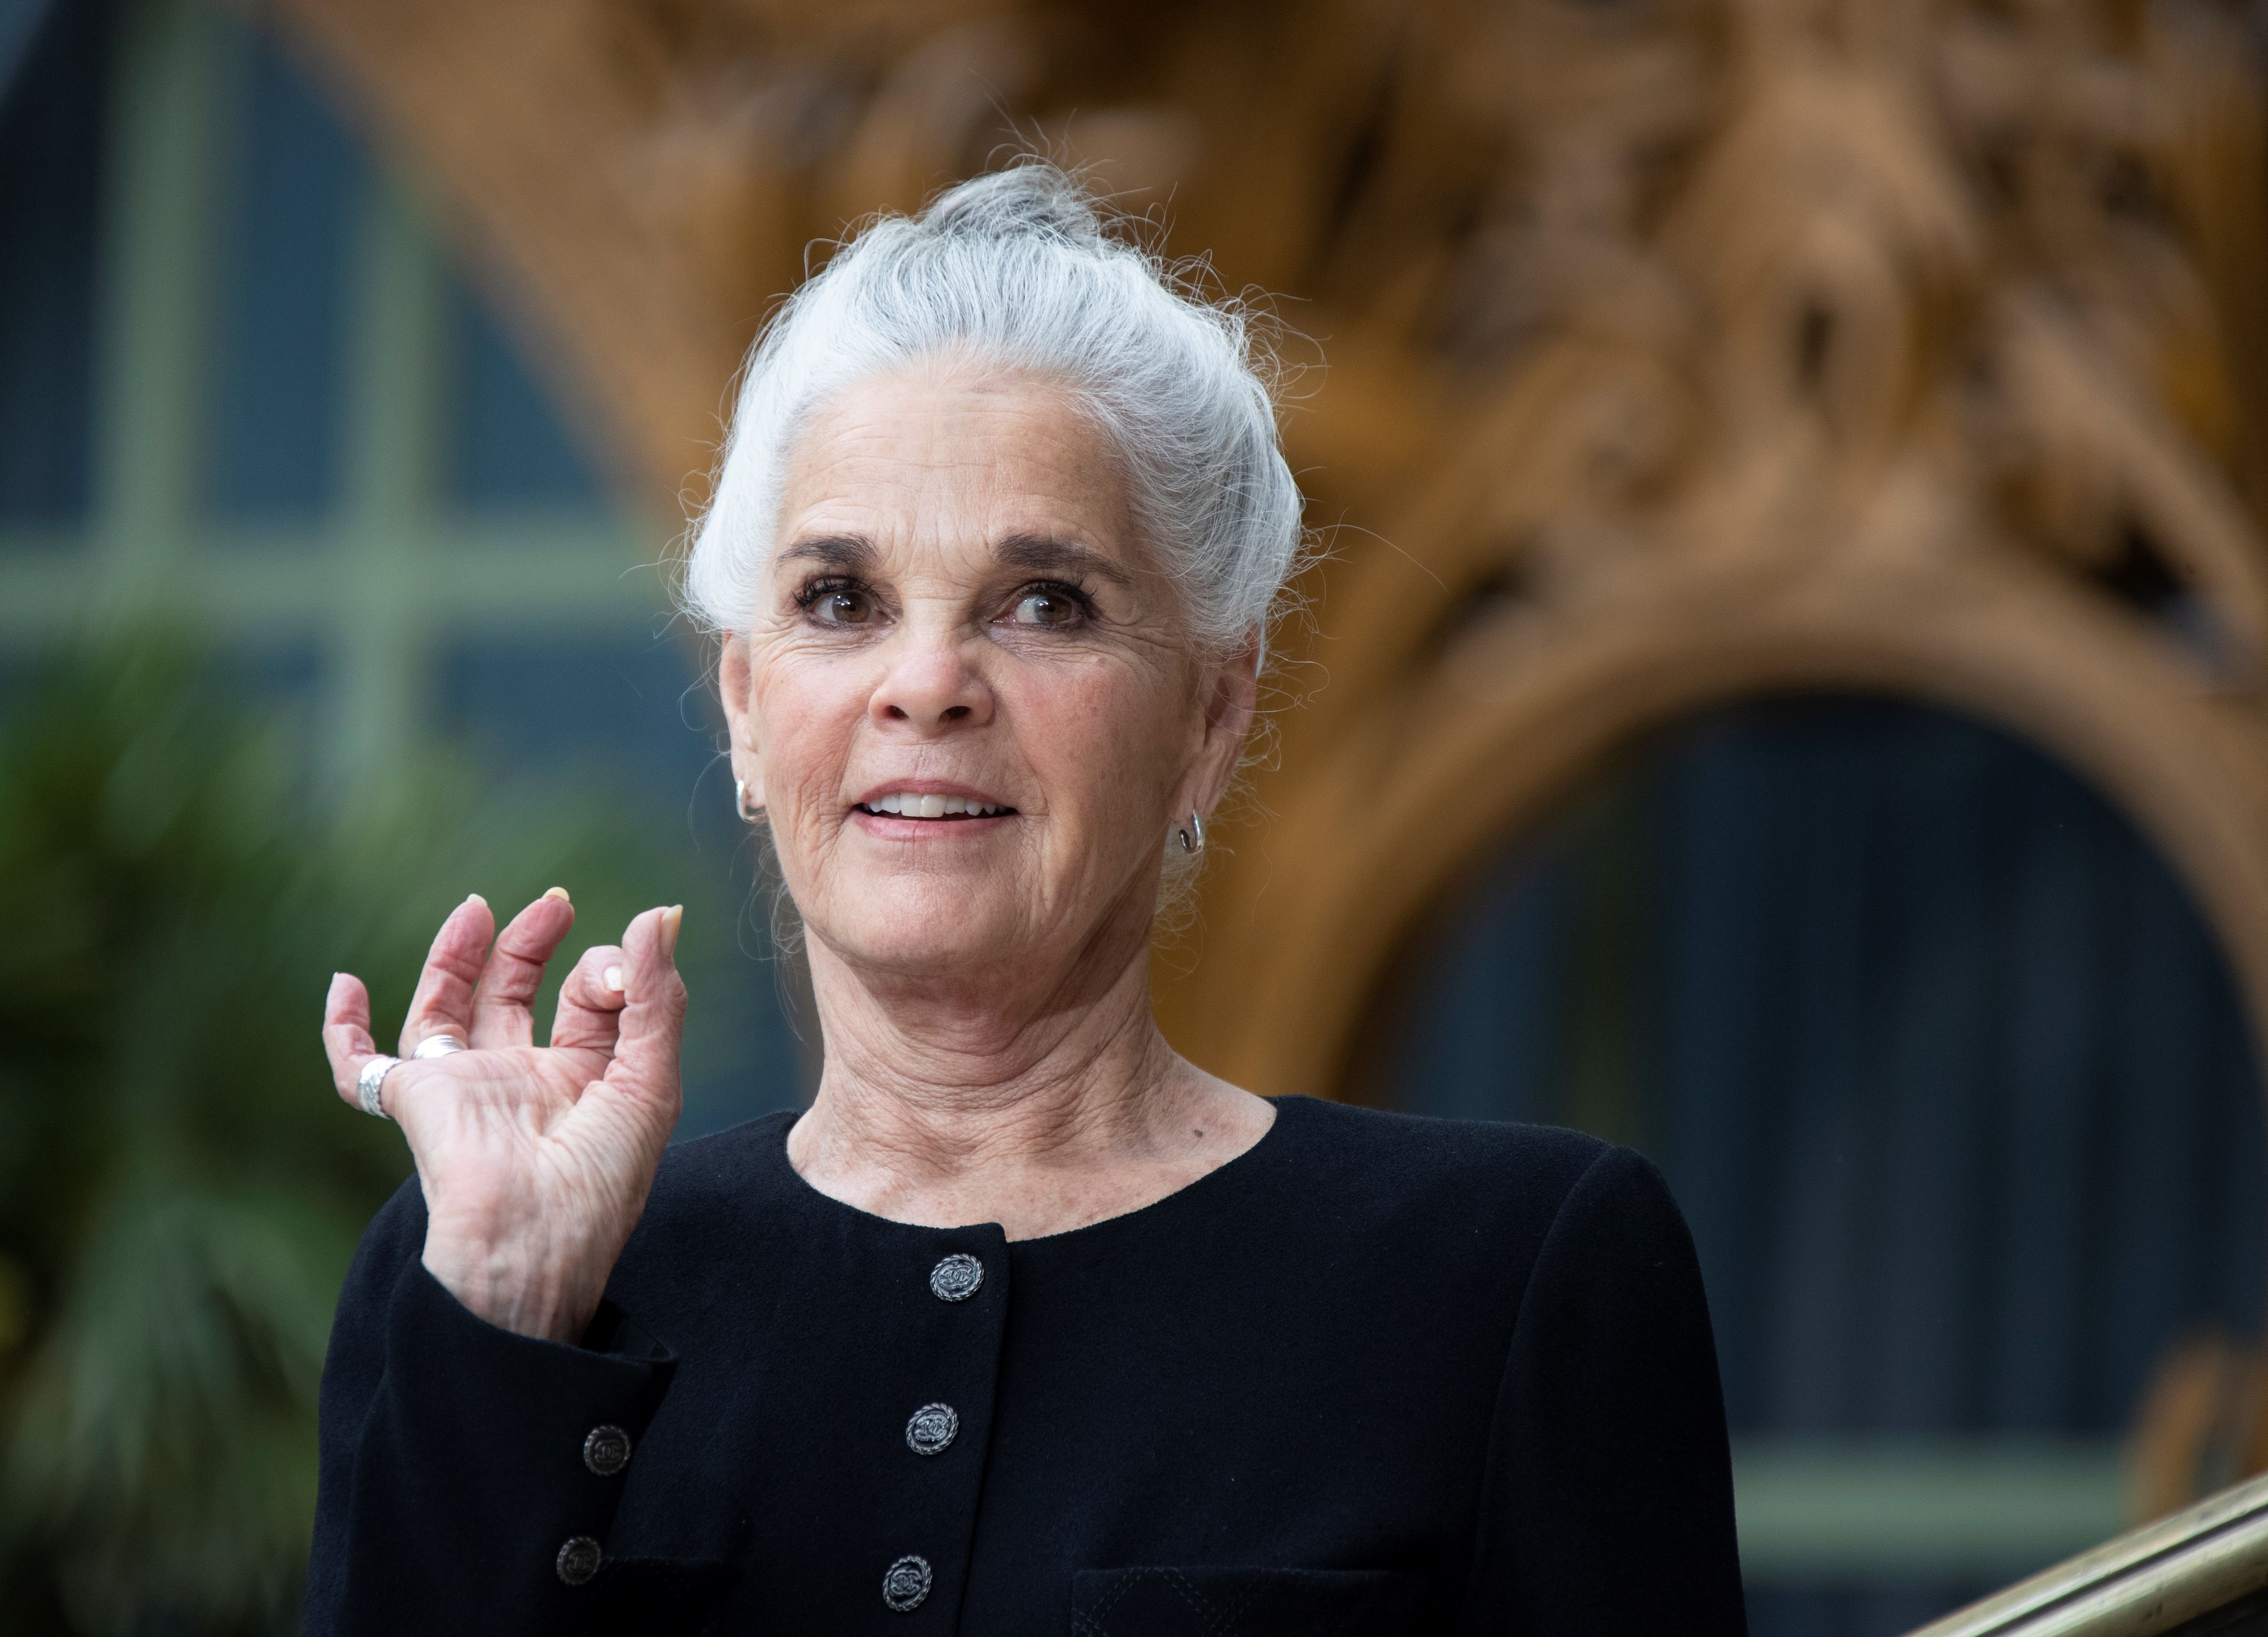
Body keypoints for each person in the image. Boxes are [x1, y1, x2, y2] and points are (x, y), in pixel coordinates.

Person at [304, 163, 1745, 1636]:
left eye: (1044, 602)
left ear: (1210, 717)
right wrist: (506, 1310)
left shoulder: (1507, 1275)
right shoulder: (486, 1274)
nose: (927, 686)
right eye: (839, 602)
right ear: (744, 707)